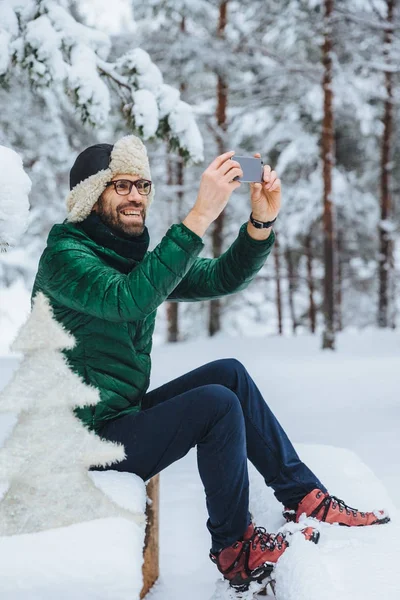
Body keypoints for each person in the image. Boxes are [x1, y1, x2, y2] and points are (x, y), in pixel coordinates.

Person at [31, 135, 390, 592]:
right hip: (77, 444)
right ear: (89, 195)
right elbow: (127, 300)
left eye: (142, 184)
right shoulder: (64, 258)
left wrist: (261, 222)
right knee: (215, 405)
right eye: (121, 185)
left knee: (229, 374)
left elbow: (222, 276)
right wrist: (199, 215)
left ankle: (305, 498)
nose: (137, 196)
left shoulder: (130, 259)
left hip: (116, 421)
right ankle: (232, 548)